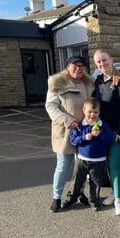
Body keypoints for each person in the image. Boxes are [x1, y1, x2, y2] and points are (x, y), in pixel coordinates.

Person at [45, 56, 94, 212]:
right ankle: (56, 197)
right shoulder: (57, 83)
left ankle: (79, 193)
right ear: (68, 67)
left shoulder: (88, 84)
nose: (79, 68)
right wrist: (67, 120)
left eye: (82, 65)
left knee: (82, 167)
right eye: (75, 65)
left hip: (85, 132)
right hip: (65, 132)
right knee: (63, 167)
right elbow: (51, 106)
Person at [92, 49, 120, 216]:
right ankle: (114, 192)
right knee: (107, 164)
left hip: (116, 132)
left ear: (111, 60)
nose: (102, 64)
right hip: (100, 131)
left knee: (115, 166)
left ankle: (119, 200)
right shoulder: (97, 81)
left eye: (104, 61)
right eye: (99, 62)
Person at [62, 98, 113, 211]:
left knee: (95, 182)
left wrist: (99, 135)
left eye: (95, 112)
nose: (92, 115)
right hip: (82, 160)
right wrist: (85, 137)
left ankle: (93, 201)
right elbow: (73, 140)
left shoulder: (103, 126)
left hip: (99, 161)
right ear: (84, 111)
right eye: (89, 112)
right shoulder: (80, 126)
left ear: (99, 112)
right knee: (77, 180)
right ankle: (72, 198)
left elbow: (109, 141)